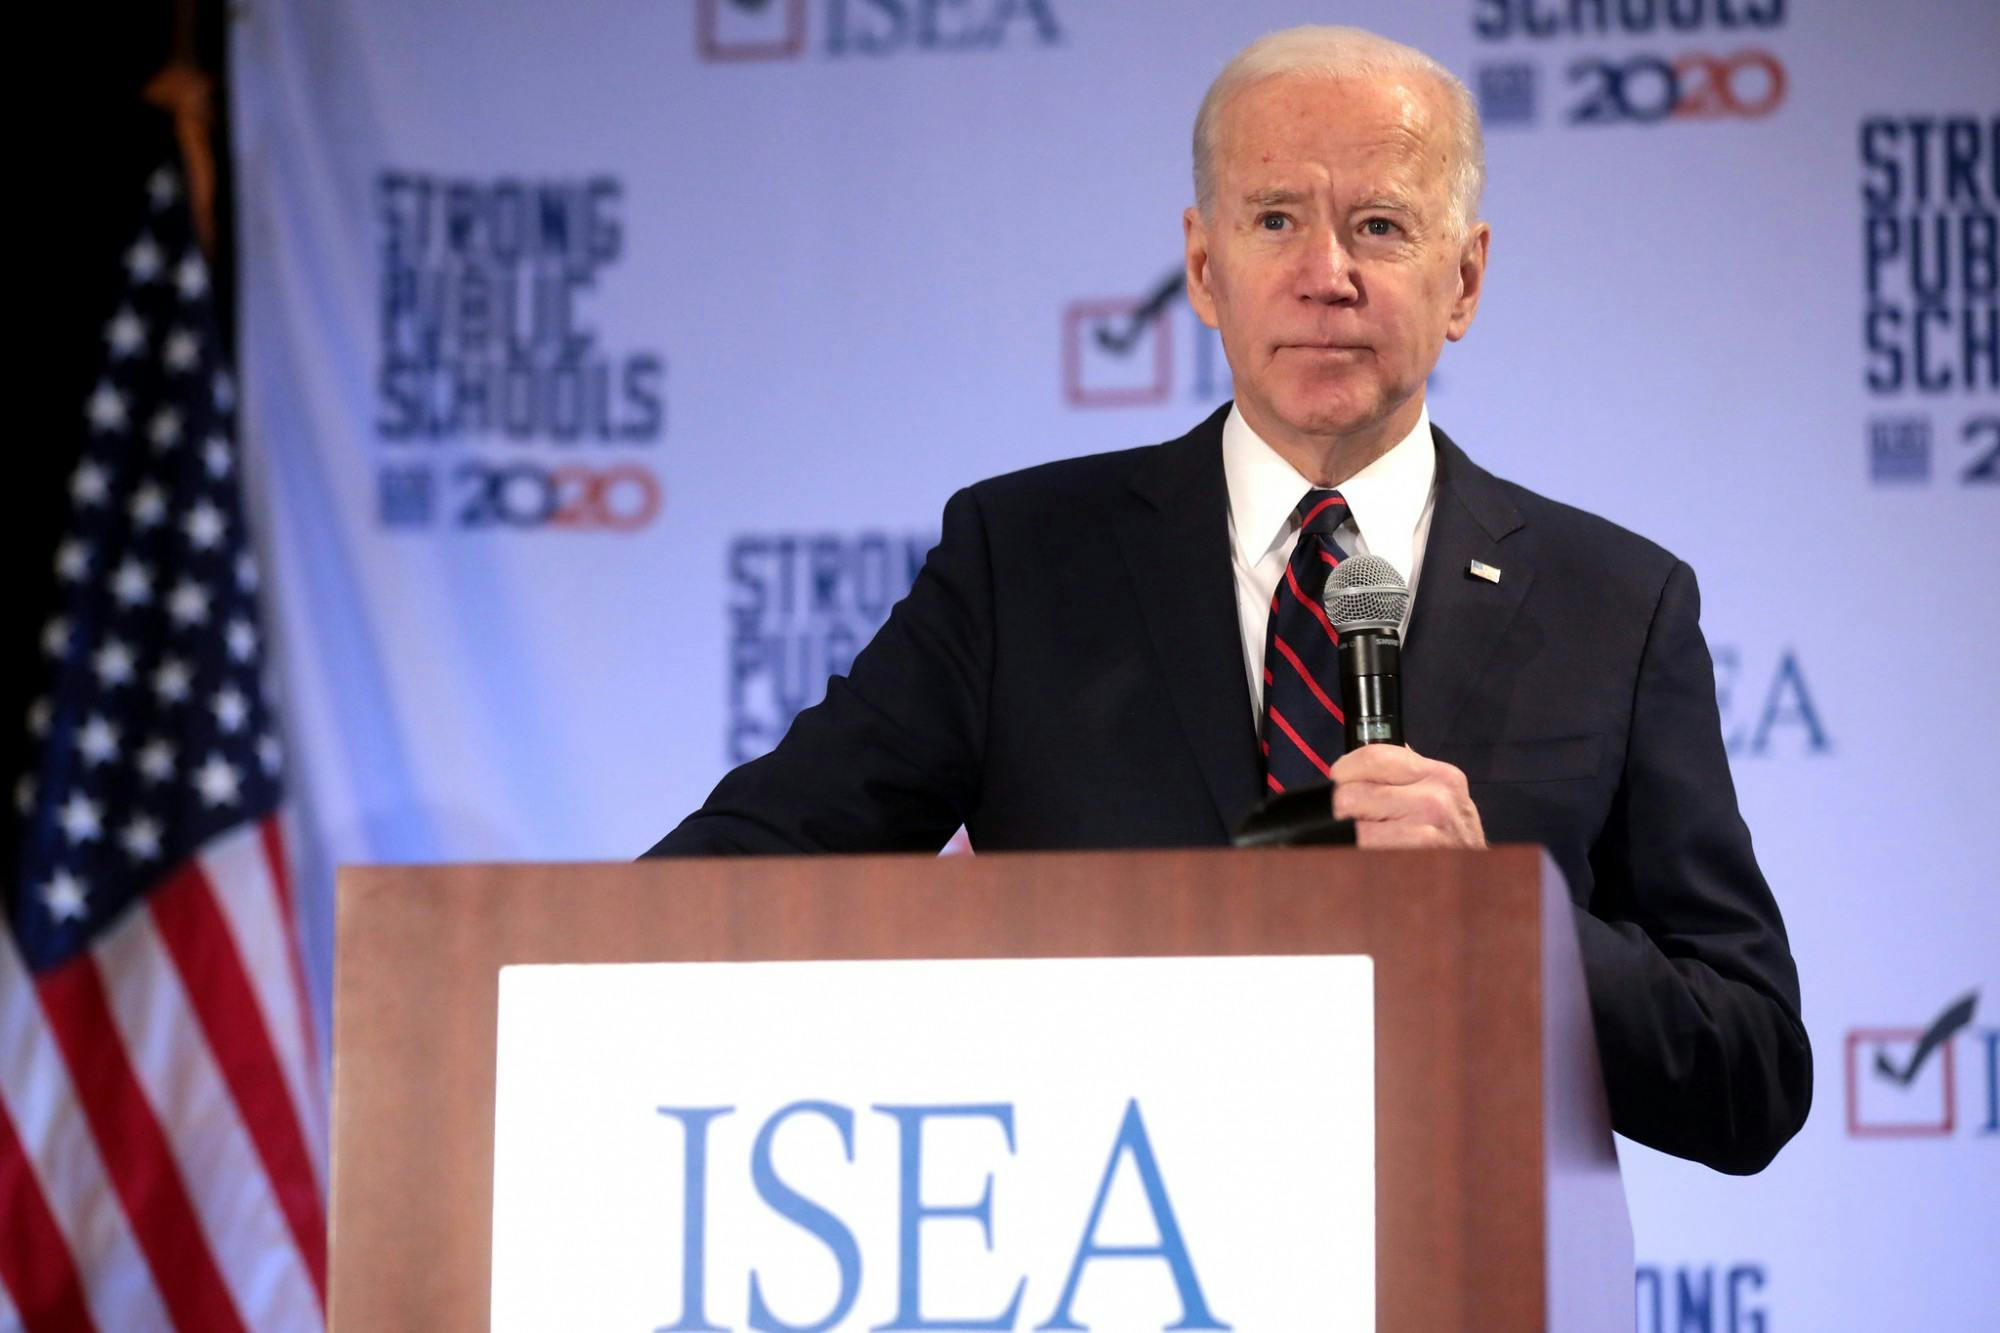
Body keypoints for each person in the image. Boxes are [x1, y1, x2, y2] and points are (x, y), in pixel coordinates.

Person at [647, 25, 1810, 1175]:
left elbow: (1751, 1073)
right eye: (1274, 221)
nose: (1325, 276)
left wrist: (1512, 925)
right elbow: (745, 874)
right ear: (1203, 270)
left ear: (1461, 280)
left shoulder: (1614, 602)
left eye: (1379, 226)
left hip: (1452, 1263)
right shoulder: (1025, 561)